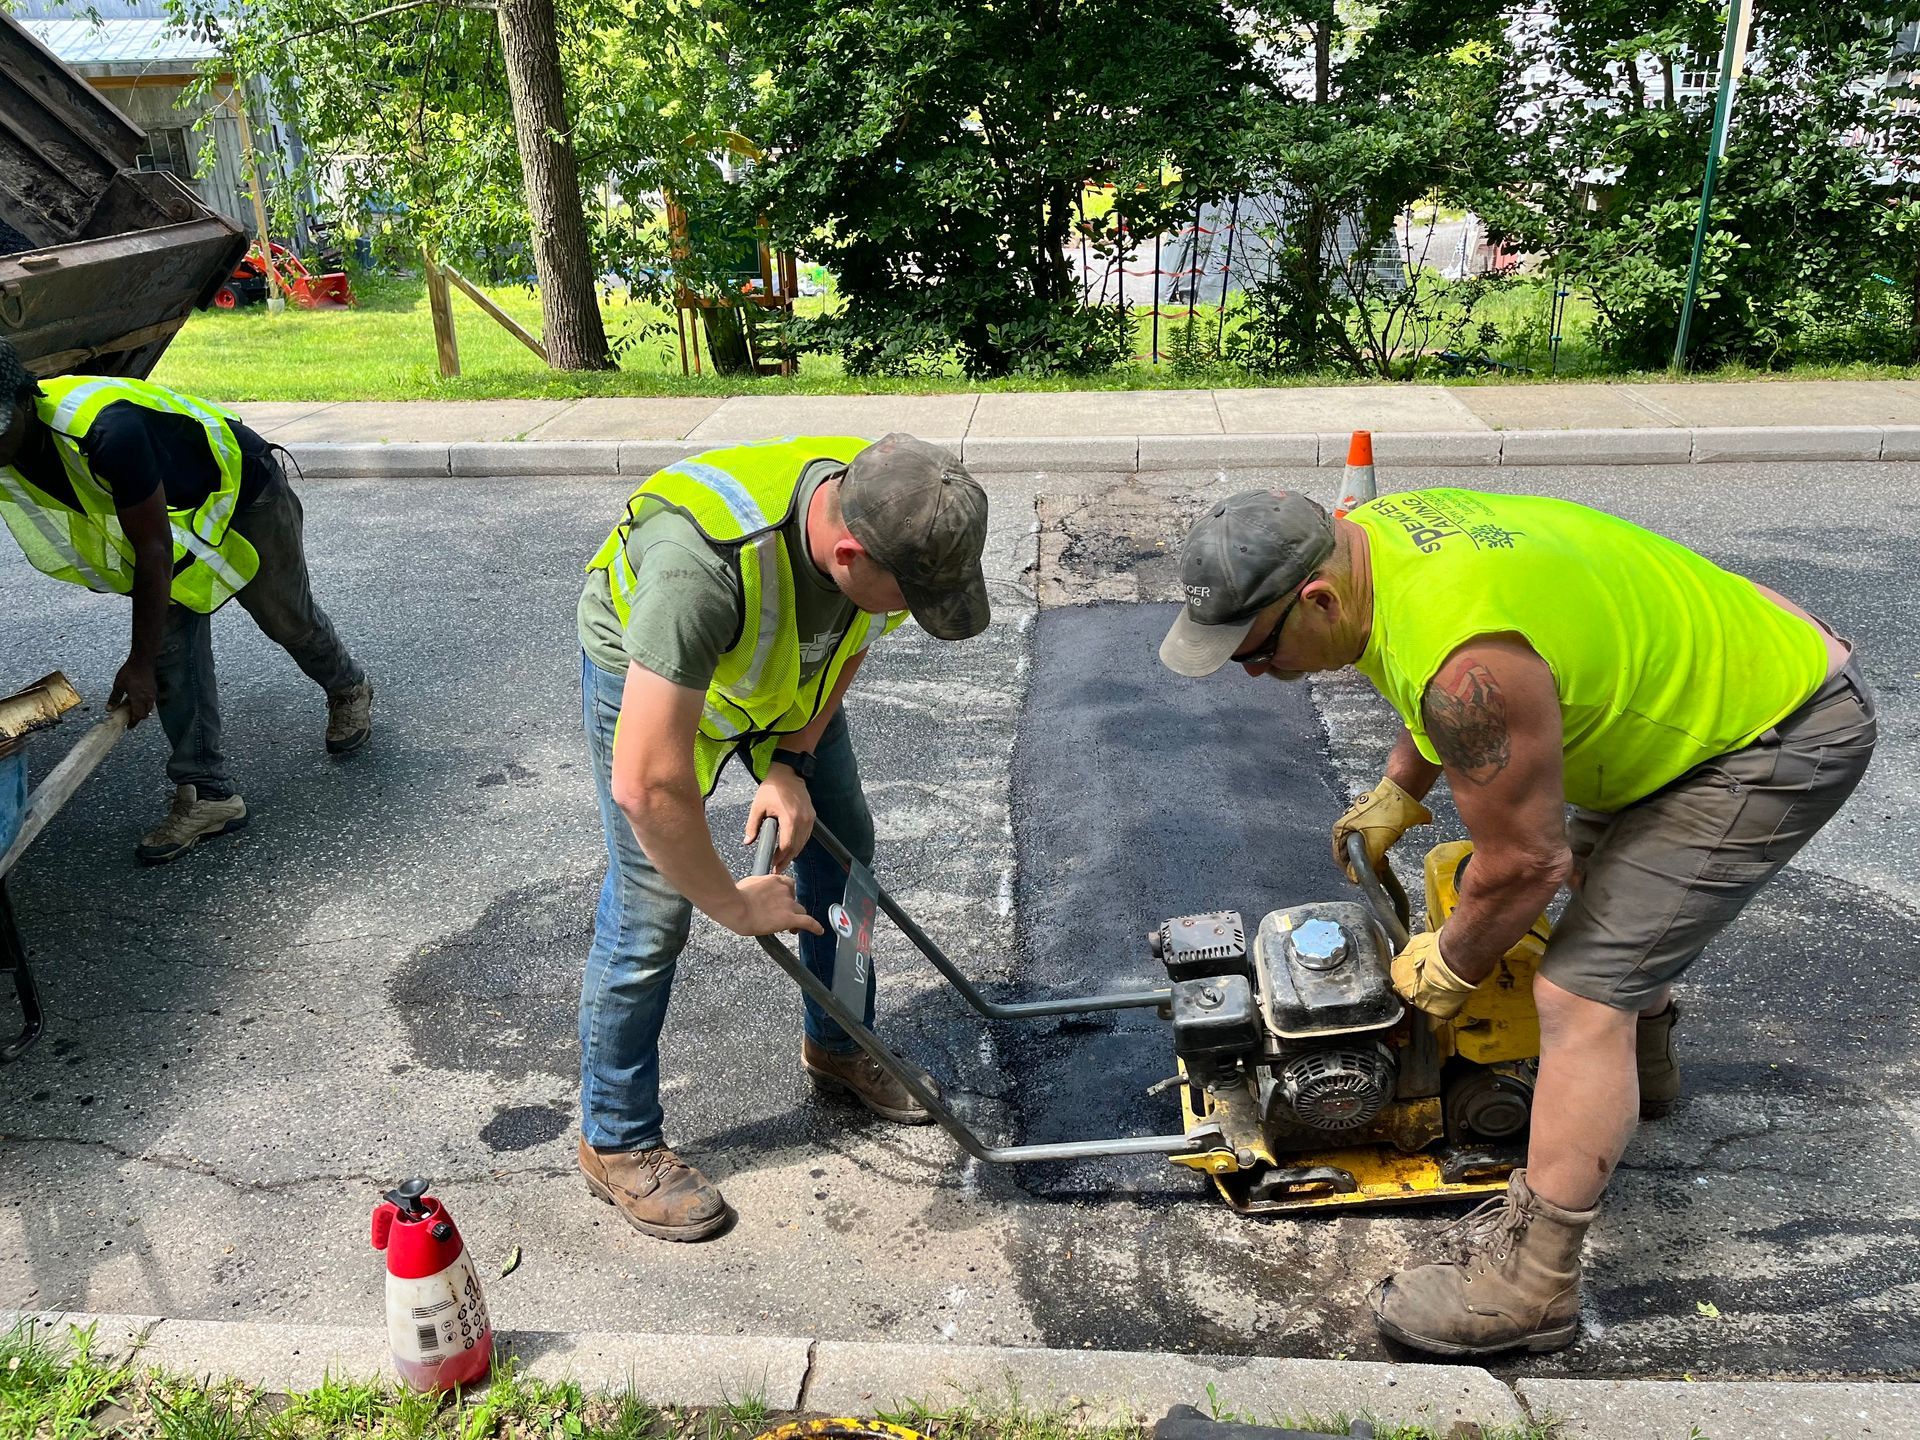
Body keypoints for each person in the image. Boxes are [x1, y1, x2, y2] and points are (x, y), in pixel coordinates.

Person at [1159, 485, 1873, 1356]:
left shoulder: (1462, 656)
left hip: (1773, 730)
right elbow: (1433, 671)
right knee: (1621, 907)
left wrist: (1450, 967)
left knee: (1581, 994)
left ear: (1317, 600)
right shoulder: (1368, 541)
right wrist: (1401, 787)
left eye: (1259, 650)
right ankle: (1641, 1080)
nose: (1253, 672)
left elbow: (1527, 861)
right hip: (1701, 680)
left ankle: (1533, 1289)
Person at [575, 432, 990, 1242]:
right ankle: (615, 1140)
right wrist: (733, 904)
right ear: (848, 555)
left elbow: (846, 646)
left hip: (777, 680)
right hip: (651, 672)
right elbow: (647, 786)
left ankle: (840, 1042)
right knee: (652, 910)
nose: (907, 613)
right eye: (906, 597)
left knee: (846, 845)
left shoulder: (896, 501)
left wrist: (792, 761)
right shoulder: (696, 572)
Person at [0, 338, 371, 863]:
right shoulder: (12, 447)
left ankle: (348, 686)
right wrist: (150, 658)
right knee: (172, 653)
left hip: (242, 493)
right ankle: (208, 794)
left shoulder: (105, 430)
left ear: (23, 399)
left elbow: (153, 551)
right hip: (172, 519)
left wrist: (139, 663)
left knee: (284, 617)